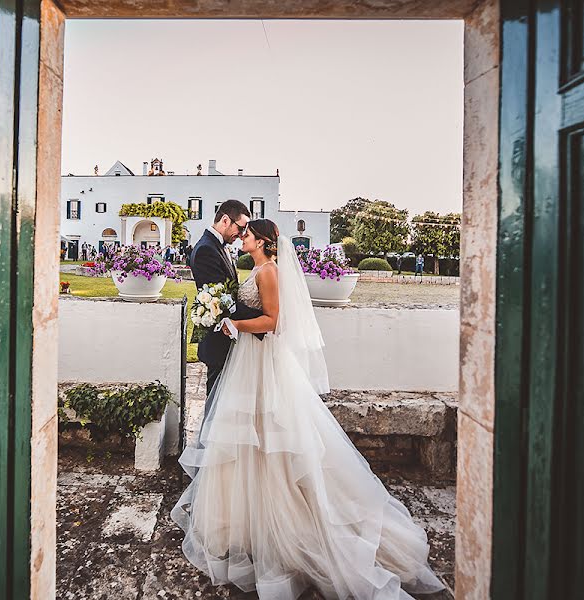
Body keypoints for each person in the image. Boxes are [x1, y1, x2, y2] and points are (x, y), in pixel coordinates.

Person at [172, 219, 444, 600]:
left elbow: (273, 320)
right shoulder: (260, 268)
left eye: (248, 234)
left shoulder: (268, 271)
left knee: (269, 438)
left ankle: (282, 526)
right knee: (250, 439)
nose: (243, 236)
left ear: (264, 242)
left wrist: (233, 323)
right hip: (251, 360)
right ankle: (246, 524)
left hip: (262, 362)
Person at [188, 199, 264, 396]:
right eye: (240, 228)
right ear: (225, 220)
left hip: (226, 335)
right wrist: (264, 321)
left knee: (224, 398)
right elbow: (223, 303)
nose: (241, 235)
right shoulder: (207, 249)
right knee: (216, 399)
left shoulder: (218, 246)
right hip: (217, 339)